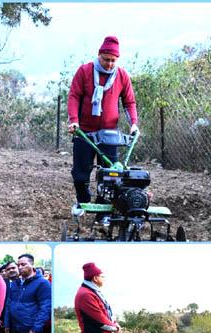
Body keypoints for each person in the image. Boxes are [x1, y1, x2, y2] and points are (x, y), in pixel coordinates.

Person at [68, 36, 139, 224]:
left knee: (110, 175)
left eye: (113, 61)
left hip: (110, 134)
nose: (109, 64)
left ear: (117, 60)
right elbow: (74, 96)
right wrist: (74, 121)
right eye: (106, 59)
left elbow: (129, 102)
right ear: (99, 55)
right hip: (85, 132)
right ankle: (83, 201)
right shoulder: (84, 71)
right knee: (80, 174)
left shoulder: (122, 76)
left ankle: (104, 212)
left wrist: (133, 123)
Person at [5, 254, 51, 333]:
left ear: (32, 264)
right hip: (15, 329)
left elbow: (45, 308)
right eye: (18, 265)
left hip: (31, 330)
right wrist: (7, 324)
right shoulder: (16, 283)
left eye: (23, 264)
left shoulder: (42, 283)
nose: (20, 267)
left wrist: (35, 329)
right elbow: (9, 304)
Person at [74, 262, 120, 333]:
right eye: (102, 276)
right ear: (95, 278)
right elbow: (100, 321)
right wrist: (115, 328)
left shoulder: (93, 290)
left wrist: (115, 323)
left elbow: (107, 310)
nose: (104, 278)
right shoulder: (85, 294)